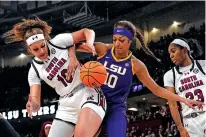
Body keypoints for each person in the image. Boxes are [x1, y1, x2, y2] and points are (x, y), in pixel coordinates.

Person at [76, 20, 204, 137]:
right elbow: (71, 44)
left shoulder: (136, 64)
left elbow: (157, 90)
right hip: (95, 101)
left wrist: (182, 99)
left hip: (116, 107)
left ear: (130, 42)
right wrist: (72, 56)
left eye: (121, 40)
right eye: (114, 39)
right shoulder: (102, 49)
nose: (117, 44)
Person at [3, 16, 106, 137]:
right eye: (36, 49)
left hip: (87, 92)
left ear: (45, 40)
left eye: (42, 45)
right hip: (66, 104)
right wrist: (33, 105)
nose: (41, 51)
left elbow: (87, 32)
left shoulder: (58, 42)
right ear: (29, 49)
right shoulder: (34, 71)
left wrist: (89, 43)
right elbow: (36, 100)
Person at [164, 38, 206, 137]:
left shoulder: (203, 65)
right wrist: (180, 128)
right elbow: (172, 104)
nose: (171, 55)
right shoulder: (170, 75)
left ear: (184, 50)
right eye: (169, 53)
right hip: (190, 123)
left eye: (173, 51)